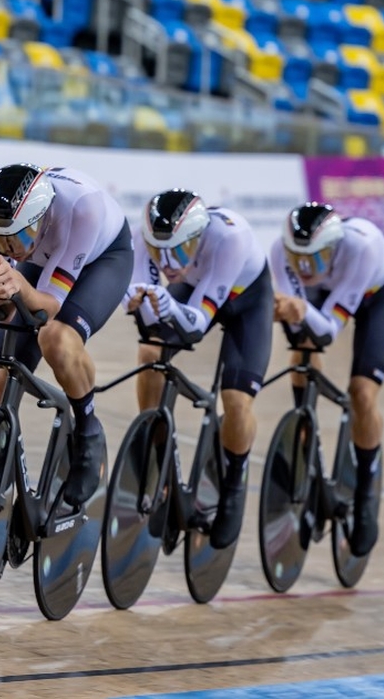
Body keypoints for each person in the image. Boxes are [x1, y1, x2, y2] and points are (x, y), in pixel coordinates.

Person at [0, 163, 133, 508]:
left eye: (17, 237)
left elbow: (48, 308)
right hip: (47, 257)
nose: (9, 248)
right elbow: (4, 313)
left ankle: (88, 431)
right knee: (4, 370)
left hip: (102, 260)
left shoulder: (82, 207)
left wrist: (19, 286)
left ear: (41, 218)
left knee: (56, 339)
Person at [122, 190, 274, 549]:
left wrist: (162, 304)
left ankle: (234, 481)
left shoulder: (229, 238)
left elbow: (195, 324)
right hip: (194, 290)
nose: (167, 262)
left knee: (236, 400)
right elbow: (142, 311)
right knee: (150, 352)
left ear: (197, 239)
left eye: (177, 251)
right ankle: (156, 448)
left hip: (245, 302)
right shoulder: (144, 238)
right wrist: (137, 302)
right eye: (158, 253)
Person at [270, 202, 384, 557]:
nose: (305, 267)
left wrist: (301, 310)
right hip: (324, 295)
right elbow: (300, 324)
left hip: (375, 293)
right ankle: (304, 432)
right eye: (297, 258)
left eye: (314, 257)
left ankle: (366, 490)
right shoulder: (279, 252)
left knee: (361, 392)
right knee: (301, 353)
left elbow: (329, 329)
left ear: (332, 248)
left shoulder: (360, 248)